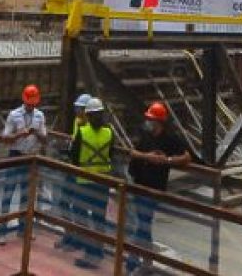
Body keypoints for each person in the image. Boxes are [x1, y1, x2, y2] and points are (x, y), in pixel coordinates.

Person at [125, 102, 190, 274]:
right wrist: (147, 156)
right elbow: (133, 152)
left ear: (159, 121)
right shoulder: (145, 136)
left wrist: (167, 161)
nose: (147, 121)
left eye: (150, 119)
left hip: (154, 188)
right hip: (139, 184)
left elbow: (186, 157)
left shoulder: (170, 139)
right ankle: (147, 262)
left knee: (143, 224)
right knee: (143, 225)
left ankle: (133, 261)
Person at [69, 97, 115, 270]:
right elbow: (111, 155)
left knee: (82, 217)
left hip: (84, 181)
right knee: (99, 219)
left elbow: (73, 157)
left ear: (87, 115)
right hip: (102, 181)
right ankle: (98, 252)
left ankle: (90, 254)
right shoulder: (109, 132)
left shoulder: (82, 132)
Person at [0, 84, 47, 243]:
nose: (32, 105)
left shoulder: (40, 116)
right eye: (29, 102)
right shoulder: (14, 115)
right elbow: (5, 138)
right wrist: (20, 134)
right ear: (24, 100)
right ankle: (2, 231)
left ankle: (23, 228)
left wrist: (37, 133)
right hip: (15, 157)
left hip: (30, 159)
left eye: (34, 103)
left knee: (26, 197)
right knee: (8, 194)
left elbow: (45, 139)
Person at [55, 93, 92, 250]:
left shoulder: (92, 128)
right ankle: (69, 234)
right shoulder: (78, 122)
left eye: (80, 108)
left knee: (79, 208)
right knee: (64, 202)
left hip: (83, 172)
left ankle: (80, 239)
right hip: (72, 168)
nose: (77, 111)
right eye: (77, 108)